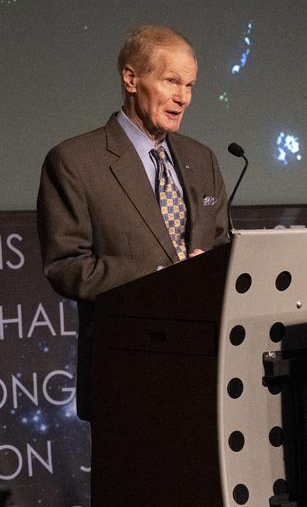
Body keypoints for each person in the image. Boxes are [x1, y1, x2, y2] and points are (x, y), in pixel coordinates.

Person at [36, 25, 230, 421]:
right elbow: (67, 265)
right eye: (171, 81)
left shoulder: (202, 158)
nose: (183, 98)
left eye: (190, 85)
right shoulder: (75, 162)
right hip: (128, 377)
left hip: (207, 373)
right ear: (130, 79)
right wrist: (164, 276)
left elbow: (222, 246)